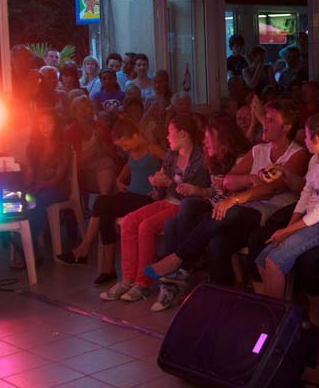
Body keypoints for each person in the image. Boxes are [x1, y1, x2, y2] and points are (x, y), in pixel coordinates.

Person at [143, 101, 309, 286]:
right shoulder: (258, 150)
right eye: (265, 118)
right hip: (250, 212)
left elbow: (274, 187)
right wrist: (248, 179)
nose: (264, 122)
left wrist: (236, 198)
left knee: (232, 210)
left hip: (276, 214)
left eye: (270, 119)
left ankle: (181, 257)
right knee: (217, 243)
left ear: (286, 126)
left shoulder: (298, 154)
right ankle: (220, 298)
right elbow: (228, 181)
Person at [100, 115, 209, 304]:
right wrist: (157, 184)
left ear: (183, 134)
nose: (167, 137)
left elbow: (194, 197)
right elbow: (160, 191)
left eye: (170, 133)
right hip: (166, 200)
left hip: (182, 207)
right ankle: (127, 280)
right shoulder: (171, 156)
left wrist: (168, 184)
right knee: (129, 221)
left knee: (146, 226)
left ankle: (142, 283)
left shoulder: (200, 160)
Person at [254, 112, 319, 300]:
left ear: (316, 139)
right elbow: (306, 193)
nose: (304, 139)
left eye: (306, 136)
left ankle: (277, 318)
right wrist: (287, 228)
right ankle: (273, 306)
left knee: (274, 261)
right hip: (310, 218)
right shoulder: (316, 159)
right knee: (261, 260)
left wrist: (288, 231)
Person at [57, 118, 164, 282]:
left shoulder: (152, 149)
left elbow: (171, 163)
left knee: (102, 202)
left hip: (147, 198)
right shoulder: (132, 151)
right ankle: (108, 270)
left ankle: (84, 249)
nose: (123, 148)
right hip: (131, 195)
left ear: (135, 136)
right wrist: (119, 180)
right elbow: (130, 165)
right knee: (105, 212)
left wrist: (160, 185)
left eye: (124, 144)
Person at [24, 110, 72, 263]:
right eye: (41, 124)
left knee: (38, 203)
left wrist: (41, 185)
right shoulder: (33, 148)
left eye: (49, 123)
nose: (44, 127)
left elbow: (59, 177)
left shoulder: (64, 147)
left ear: (55, 125)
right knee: (21, 203)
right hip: (36, 187)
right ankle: (27, 245)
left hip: (56, 189)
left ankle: (28, 248)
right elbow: (30, 173)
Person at [63, 96, 117, 196]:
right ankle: (104, 200)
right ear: (74, 113)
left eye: (86, 107)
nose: (83, 111)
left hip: (103, 168)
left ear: (92, 110)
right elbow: (70, 163)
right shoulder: (69, 133)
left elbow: (113, 154)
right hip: (81, 172)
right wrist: (91, 154)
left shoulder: (101, 127)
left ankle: (104, 199)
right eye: (80, 108)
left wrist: (102, 142)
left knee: (106, 163)